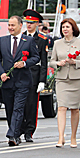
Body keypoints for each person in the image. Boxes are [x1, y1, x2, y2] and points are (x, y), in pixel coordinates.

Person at [0, 16, 40, 147]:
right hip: (7, 81)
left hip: (23, 81)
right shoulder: (3, 41)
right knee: (9, 109)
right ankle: (16, 132)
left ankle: (12, 135)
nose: (10, 28)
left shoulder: (28, 41)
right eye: (9, 25)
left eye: (13, 25)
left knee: (18, 109)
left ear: (20, 26)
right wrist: (1, 73)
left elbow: (36, 57)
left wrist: (25, 63)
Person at [50, 18, 80, 148]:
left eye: (67, 27)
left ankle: (73, 136)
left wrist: (75, 62)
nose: (65, 29)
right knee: (61, 107)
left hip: (76, 79)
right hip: (61, 79)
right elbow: (51, 61)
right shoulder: (57, 43)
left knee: (74, 108)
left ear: (73, 28)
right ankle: (61, 137)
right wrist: (57, 64)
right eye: (63, 27)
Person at [20, 9, 49, 142]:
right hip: (21, 75)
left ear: (37, 24)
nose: (29, 25)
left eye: (32, 23)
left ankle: (29, 131)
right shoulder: (21, 36)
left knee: (32, 105)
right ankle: (18, 129)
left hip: (34, 75)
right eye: (27, 22)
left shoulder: (42, 39)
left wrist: (42, 80)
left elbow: (44, 62)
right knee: (20, 104)